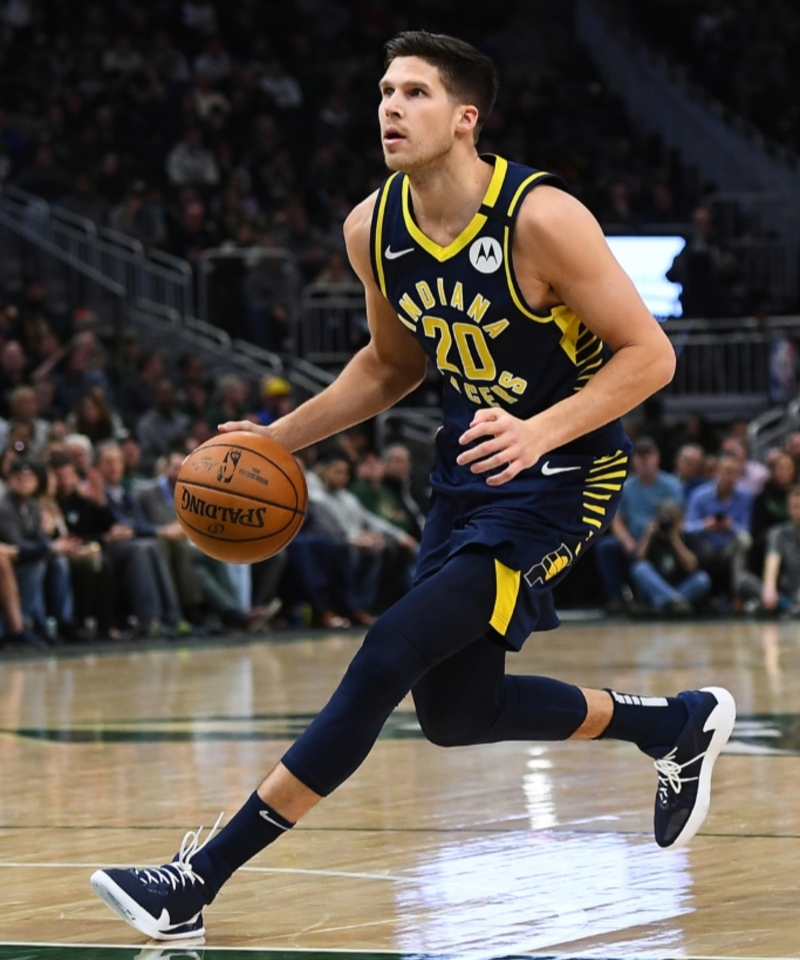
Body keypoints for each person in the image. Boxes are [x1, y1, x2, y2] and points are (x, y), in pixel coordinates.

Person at [91, 32, 736, 941]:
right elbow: (389, 367)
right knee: (455, 712)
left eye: (416, 93)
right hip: (465, 476)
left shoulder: (542, 218)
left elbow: (651, 355)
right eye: (386, 92)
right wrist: (275, 438)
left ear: (465, 117)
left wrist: (540, 428)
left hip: (563, 476)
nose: (391, 108)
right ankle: (675, 724)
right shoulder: (372, 228)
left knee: (387, 654)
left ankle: (192, 881)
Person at [630, 499, 711, 614]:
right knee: (639, 569)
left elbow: (692, 565)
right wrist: (647, 535)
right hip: (657, 586)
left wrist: (675, 539)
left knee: (702, 580)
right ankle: (674, 602)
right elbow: (638, 559)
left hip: (682, 585)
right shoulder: (651, 538)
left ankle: (665, 604)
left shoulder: (689, 538)